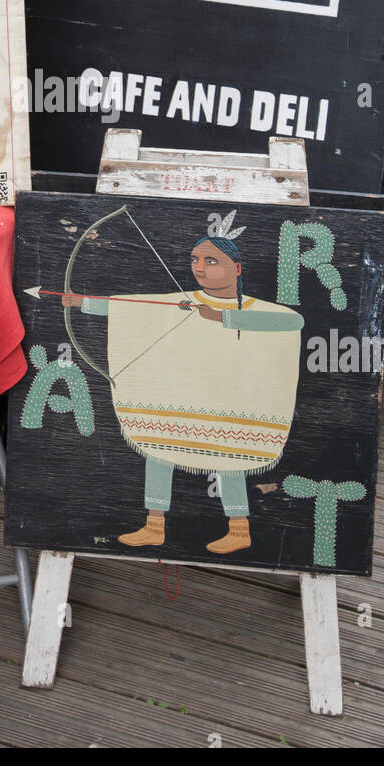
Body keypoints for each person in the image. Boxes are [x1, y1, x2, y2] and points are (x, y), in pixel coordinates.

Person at [63, 216, 303, 553]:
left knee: (229, 456)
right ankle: (154, 525)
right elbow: (133, 308)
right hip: (186, 396)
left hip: (232, 401)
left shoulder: (252, 308)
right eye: (195, 260)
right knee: (159, 446)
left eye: (210, 260)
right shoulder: (183, 301)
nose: (200, 268)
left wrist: (222, 316)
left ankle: (238, 530)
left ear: (236, 269)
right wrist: (81, 303)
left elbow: (293, 321)